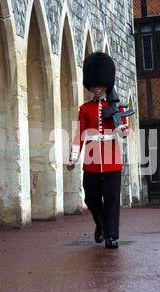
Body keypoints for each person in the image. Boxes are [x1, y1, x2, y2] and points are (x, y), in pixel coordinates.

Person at [67, 52, 129, 249]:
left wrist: (122, 130)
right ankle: (100, 225)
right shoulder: (85, 109)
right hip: (92, 161)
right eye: (94, 86)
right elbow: (80, 134)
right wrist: (73, 157)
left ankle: (112, 236)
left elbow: (124, 131)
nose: (97, 89)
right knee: (91, 197)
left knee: (111, 199)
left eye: (100, 85)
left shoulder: (116, 107)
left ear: (106, 85)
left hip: (112, 159)